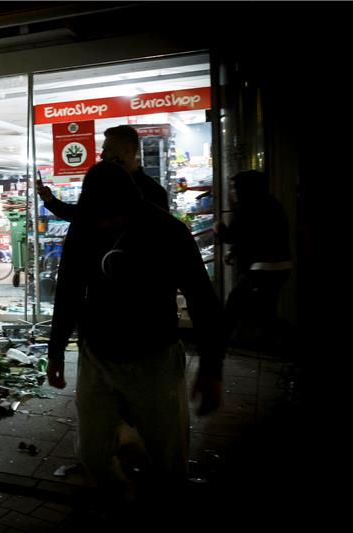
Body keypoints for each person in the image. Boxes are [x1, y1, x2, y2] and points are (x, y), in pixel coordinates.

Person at [45, 161, 224, 503]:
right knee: (92, 453)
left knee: (169, 459)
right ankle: (120, 496)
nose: (106, 224)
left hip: (155, 356)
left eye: (114, 216)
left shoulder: (167, 231)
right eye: (100, 216)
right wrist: (55, 351)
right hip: (97, 355)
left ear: (133, 206)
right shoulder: (84, 226)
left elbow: (202, 300)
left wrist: (211, 368)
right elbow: (67, 290)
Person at [214, 170, 291, 348]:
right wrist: (234, 252)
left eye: (235, 188)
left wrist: (219, 228)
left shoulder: (248, 206)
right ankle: (272, 342)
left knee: (235, 302)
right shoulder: (272, 203)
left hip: (261, 267)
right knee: (266, 310)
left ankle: (218, 341)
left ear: (244, 188)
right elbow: (256, 235)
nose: (232, 192)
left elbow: (232, 235)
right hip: (282, 266)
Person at [37, 125, 170, 219]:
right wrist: (51, 201)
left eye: (108, 150)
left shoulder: (153, 193)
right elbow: (82, 215)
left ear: (127, 151)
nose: (102, 156)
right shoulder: (103, 187)